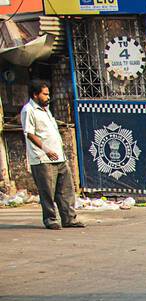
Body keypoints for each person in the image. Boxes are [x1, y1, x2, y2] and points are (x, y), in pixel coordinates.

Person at [20, 80, 83, 230]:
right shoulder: (28, 110)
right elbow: (29, 133)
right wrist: (46, 149)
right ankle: (50, 219)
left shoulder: (46, 109)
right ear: (35, 95)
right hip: (42, 158)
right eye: (45, 94)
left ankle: (69, 218)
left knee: (66, 189)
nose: (48, 97)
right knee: (47, 191)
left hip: (59, 156)